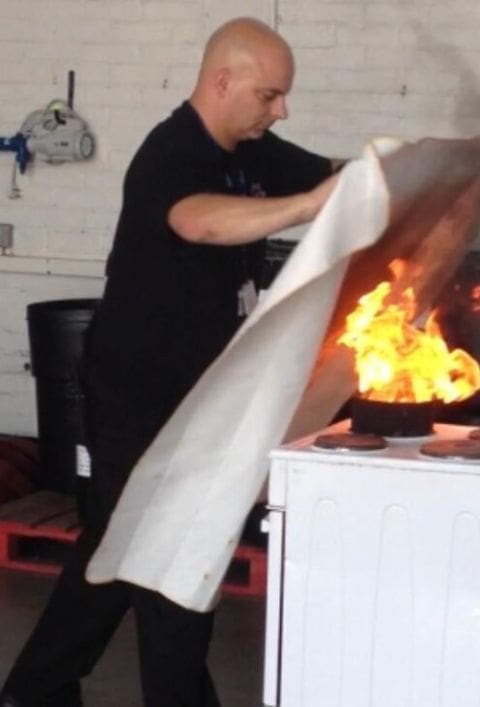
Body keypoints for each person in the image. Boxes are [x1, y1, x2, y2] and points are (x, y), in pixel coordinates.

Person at [0, 16, 340, 707]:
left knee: (127, 549)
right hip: (138, 391)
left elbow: (336, 177)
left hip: (203, 392)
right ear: (224, 82)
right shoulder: (171, 152)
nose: (281, 110)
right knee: (169, 557)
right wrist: (305, 207)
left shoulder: (252, 152)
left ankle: (34, 686)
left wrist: (401, 168)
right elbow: (197, 221)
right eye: (269, 95)